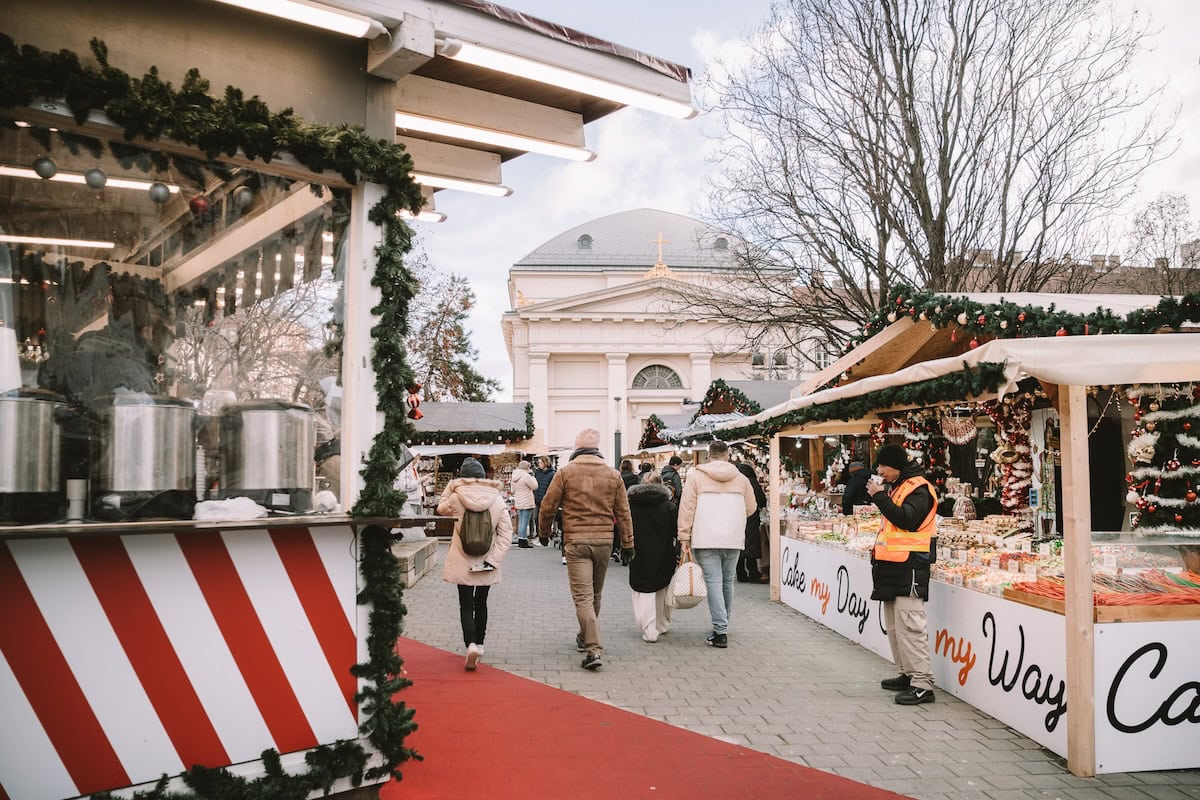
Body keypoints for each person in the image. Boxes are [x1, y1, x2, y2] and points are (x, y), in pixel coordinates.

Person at [539, 427, 634, 671]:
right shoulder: (613, 475)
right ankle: (584, 638)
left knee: (582, 597)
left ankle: (592, 648)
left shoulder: (566, 472)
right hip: (604, 542)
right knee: (595, 596)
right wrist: (627, 544)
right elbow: (623, 512)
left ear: (577, 450)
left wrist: (544, 533)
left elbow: (548, 506)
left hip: (577, 542)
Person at [867, 443, 938, 705]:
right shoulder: (898, 487)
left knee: (910, 626)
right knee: (896, 626)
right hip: (893, 566)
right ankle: (908, 674)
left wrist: (879, 497)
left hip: (911, 567)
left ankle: (922, 683)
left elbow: (907, 519)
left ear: (896, 465)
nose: (880, 470)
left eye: (884, 465)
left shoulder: (919, 489)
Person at [676, 440, 757, 648]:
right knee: (727, 581)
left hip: (706, 537)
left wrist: (684, 536)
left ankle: (721, 630)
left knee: (713, 581)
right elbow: (751, 507)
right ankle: (723, 624)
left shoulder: (696, 476)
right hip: (733, 536)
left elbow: (687, 508)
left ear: (708, 455)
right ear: (727, 455)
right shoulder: (741, 478)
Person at [437, 457, 513, 671]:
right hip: (486, 560)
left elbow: (440, 509)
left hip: (462, 559)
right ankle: (479, 644)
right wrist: (493, 560)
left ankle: (469, 644)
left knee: (466, 603)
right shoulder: (498, 501)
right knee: (482, 602)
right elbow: (506, 534)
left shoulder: (456, 498)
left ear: (463, 477)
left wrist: (451, 487)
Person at [626, 472, 677, 643]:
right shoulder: (668, 506)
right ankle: (661, 624)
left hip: (638, 552)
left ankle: (649, 628)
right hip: (664, 552)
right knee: (661, 589)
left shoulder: (631, 504)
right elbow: (675, 530)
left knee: (643, 590)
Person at [735, 461, 767, 582]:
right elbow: (761, 500)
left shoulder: (735, 480)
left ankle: (741, 574)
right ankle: (754, 574)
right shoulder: (752, 481)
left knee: (739, 545)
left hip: (737, 517)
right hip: (751, 516)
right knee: (751, 546)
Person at [510, 459, 539, 548]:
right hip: (527, 501)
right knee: (524, 522)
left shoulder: (514, 476)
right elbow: (535, 486)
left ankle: (520, 539)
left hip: (518, 500)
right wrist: (533, 477)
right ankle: (523, 541)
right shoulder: (526, 476)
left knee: (521, 521)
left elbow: (512, 490)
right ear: (527, 467)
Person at [532, 456, 557, 545]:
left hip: (546, 500)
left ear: (545, 463)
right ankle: (539, 535)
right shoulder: (537, 472)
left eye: (540, 463)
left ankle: (545, 537)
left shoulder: (552, 473)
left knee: (545, 519)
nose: (539, 465)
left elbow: (553, 487)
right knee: (536, 518)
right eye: (538, 463)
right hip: (537, 499)